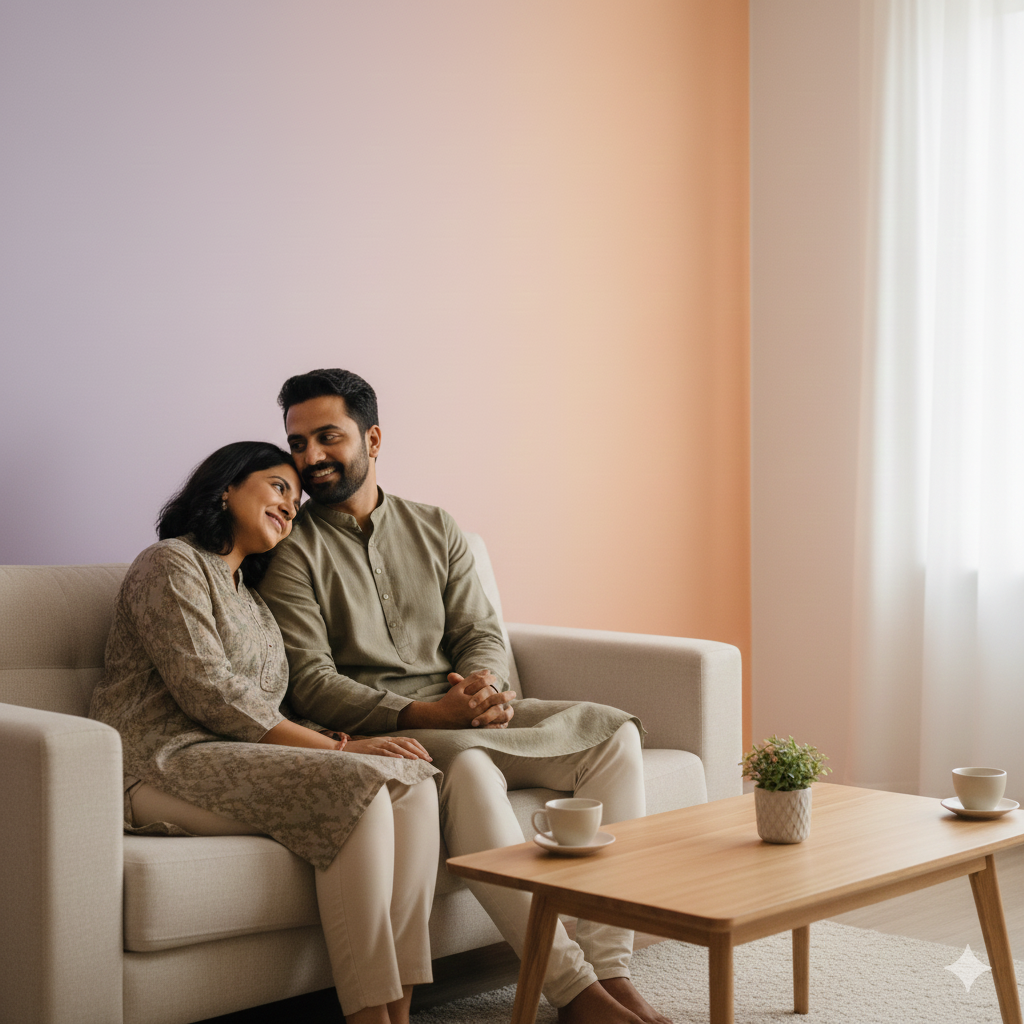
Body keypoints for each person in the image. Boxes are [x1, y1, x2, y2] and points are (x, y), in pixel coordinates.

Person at [257, 370, 672, 1024]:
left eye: (327, 437)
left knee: (612, 733)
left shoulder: (435, 526)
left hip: (462, 712)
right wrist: (432, 714)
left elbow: (480, 630)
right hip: (401, 730)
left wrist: (486, 688)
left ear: (373, 438)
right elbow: (311, 683)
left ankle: (612, 973)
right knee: (472, 766)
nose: (310, 458)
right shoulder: (291, 551)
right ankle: (572, 991)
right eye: (298, 442)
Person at [88, 441, 440, 1024]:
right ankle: (368, 1018)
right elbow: (212, 691)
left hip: (229, 756)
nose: (290, 505)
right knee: (360, 788)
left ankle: (399, 1012)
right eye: (278, 486)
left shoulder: (253, 603)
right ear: (227, 487)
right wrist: (340, 752)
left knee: (414, 781)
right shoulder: (170, 562)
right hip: (158, 760)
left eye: (296, 500)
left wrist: (344, 743)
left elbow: (270, 704)